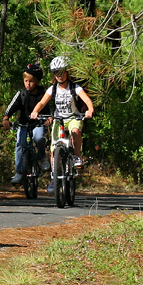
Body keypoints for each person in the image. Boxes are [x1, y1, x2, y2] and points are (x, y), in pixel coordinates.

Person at [30, 56, 95, 192]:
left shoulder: (75, 88)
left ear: (66, 72)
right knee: (54, 148)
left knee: (76, 131)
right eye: (56, 72)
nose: (58, 76)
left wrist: (90, 110)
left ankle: (77, 156)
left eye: (61, 72)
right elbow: (42, 102)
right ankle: (54, 178)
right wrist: (35, 111)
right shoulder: (52, 89)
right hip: (59, 119)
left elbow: (87, 100)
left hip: (73, 117)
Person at [1, 63, 50, 186]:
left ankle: (42, 156)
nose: (28, 84)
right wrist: (6, 118)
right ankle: (19, 172)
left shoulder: (43, 94)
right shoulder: (21, 94)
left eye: (31, 81)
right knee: (20, 145)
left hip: (38, 123)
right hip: (23, 124)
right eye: (26, 80)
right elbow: (11, 108)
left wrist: (49, 119)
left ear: (37, 82)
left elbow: (49, 109)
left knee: (39, 138)